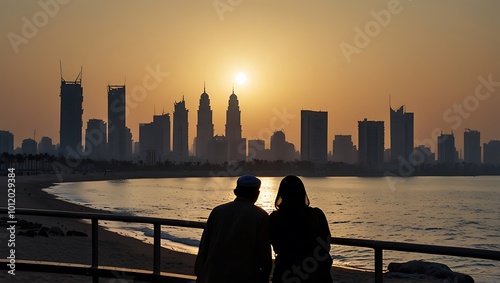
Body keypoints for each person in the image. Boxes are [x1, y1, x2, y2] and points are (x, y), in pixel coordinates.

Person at [195, 175, 272, 283]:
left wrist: (200, 273)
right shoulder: (260, 215)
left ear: (235, 192)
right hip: (244, 277)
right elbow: (264, 253)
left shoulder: (217, 211)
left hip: (213, 274)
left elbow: (204, 245)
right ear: (257, 194)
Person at [270, 175, 333, 283]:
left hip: (285, 271)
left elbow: (274, 242)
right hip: (314, 271)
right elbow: (326, 243)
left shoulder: (275, 217)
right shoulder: (316, 214)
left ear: (282, 194)